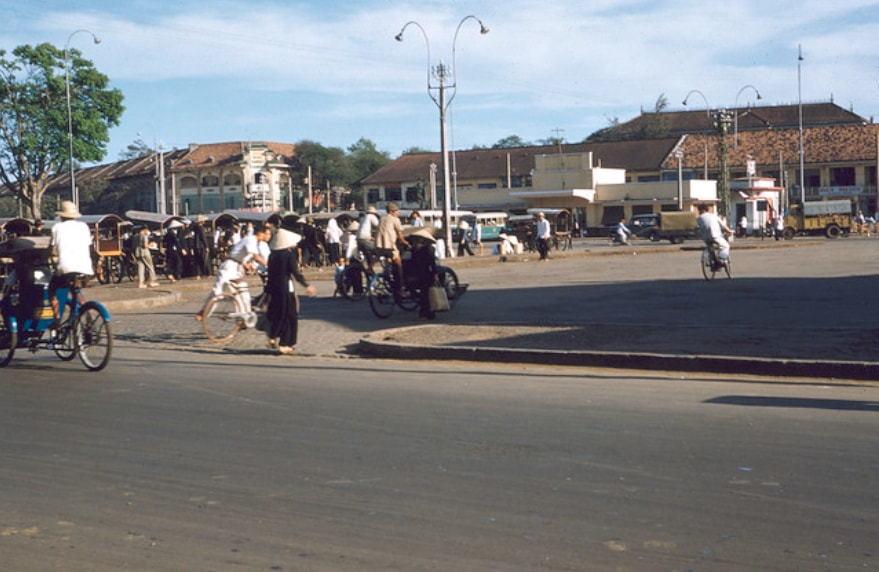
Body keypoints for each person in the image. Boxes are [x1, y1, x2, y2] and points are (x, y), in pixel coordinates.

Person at [195, 224, 271, 321]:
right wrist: (269, 264)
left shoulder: (255, 243)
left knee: (243, 293)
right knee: (218, 292)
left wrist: (248, 266)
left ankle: (244, 317)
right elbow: (256, 257)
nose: (268, 236)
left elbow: (244, 257)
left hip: (237, 269)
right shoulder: (251, 240)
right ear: (260, 233)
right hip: (228, 267)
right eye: (267, 234)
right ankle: (204, 312)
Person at [263, 228, 316, 355]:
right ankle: (285, 343)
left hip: (273, 288)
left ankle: (273, 335)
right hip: (286, 288)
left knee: (277, 313)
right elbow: (295, 273)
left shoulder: (272, 255)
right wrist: (306, 286)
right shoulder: (288, 255)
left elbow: (270, 274)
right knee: (289, 316)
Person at [48, 200, 94, 326]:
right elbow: (90, 246)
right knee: (76, 290)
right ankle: (88, 314)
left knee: (51, 290)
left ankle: (57, 320)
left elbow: (52, 249)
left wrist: (50, 258)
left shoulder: (57, 227)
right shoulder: (84, 226)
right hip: (85, 267)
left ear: (61, 215)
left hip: (66, 267)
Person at [376, 202, 409, 292]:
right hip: (389, 245)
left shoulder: (381, 218)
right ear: (392, 212)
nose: (397, 213)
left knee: (389, 260)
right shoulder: (395, 219)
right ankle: (400, 288)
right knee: (399, 263)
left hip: (379, 245)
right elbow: (400, 235)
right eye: (396, 211)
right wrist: (406, 242)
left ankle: (387, 276)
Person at [407, 227, 438, 320]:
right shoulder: (430, 248)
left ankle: (423, 313)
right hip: (426, 273)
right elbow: (432, 262)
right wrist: (435, 273)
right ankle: (429, 313)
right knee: (428, 294)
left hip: (416, 273)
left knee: (423, 294)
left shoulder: (414, 250)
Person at [356, 206, 380, 270]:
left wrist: (371, 237)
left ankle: (370, 268)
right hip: (364, 239)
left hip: (359, 239)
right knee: (379, 251)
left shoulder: (364, 218)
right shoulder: (372, 217)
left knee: (368, 253)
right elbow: (379, 226)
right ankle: (371, 266)